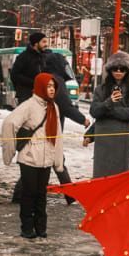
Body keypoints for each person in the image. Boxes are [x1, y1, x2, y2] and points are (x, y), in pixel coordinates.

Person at [1, 73, 63, 238]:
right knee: (29, 194)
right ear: (41, 86)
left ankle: (41, 227)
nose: (51, 89)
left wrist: (58, 161)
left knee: (42, 194)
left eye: (53, 86)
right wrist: (9, 152)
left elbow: (58, 135)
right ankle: (27, 228)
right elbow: (9, 123)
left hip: (46, 159)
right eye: (48, 86)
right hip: (29, 157)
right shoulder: (29, 105)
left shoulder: (54, 107)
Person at [45, 50, 90, 202]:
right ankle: (70, 194)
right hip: (51, 127)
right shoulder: (56, 80)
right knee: (56, 161)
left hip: (45, 127)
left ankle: (70, 194)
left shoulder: (44, 78)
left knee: (52, 161)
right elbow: (65, 105)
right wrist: (82, 119)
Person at [90, 51, 129, 179]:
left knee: (121, 177)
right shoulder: (100, 90)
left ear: (127, 71)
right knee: (102, 176)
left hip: (123, 138)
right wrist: (109, 102)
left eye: (122, 69)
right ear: (110, 70)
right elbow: (94, 111)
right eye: (115, 69)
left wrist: (109, 111)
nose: (118, 72)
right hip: (104, 139)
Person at [10, 32, 48, 104]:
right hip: (26, 96)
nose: (46, 44)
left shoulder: (44, 57)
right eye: (44, 42)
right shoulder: (23, 57)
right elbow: (14, 75)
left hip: (41, 96)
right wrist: (33, 83)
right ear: (36, 43)